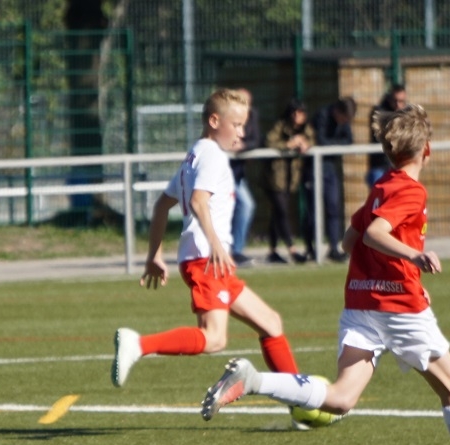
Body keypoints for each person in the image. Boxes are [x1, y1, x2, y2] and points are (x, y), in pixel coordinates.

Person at [200, 103, 450, 445]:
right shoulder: (410, 190)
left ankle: (255, 381)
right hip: (399, 308)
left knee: (341, 398)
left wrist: (384, 251)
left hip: (360, 303)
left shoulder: (382, 187)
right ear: (427, 151)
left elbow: (348, 241)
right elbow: (374, 232)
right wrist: (412, 256)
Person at [111, 88, 302, 389]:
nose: (241, 133)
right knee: (214, 339)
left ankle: (299, 397)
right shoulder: (211, 155)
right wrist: (215, 243)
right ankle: (138, 344)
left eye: (243, 125)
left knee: (271, 323)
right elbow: (199, 201)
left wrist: (154, 256)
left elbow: (162, 205)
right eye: (236, 125)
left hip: (209, 261)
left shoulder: (195, 154)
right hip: (207, 259)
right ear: (215, 121)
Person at [304, 96, 356, 262]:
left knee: (333, 206)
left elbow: (349, 141)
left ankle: (334, 247)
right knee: (313, 210)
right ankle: (310, 248)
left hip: (329, 168)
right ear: (337, 111)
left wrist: (334, 146)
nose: (344, 122)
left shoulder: (344, 121)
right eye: (343, 118)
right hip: (313, 168)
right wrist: (336, 145)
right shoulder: (322, 116)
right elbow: (321, 141)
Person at [263, 99, 312, 264]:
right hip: (275, 178)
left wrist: (305, 144)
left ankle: (273, 251)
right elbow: (269, 142)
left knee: (277, 214)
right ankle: (292, 249)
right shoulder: (280, 126)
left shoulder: (306, 129)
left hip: (291, 179)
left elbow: (312, 139)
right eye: (296, 112)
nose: (299, 116)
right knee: (282, 211)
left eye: (301, 112)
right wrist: (288, 144)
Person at [229, 88, 260, 266]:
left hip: (237, 174)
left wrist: (243, 145)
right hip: (220, 172)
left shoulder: (252, 116)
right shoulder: (225, 116)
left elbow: (256, 140)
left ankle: (236, 251)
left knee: (246, 205)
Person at [365, 84, 407, 189]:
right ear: (389, 98)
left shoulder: (406, 113)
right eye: (395, 101)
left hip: (398, 165)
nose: (398, 105)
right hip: (379, 164)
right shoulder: (379, 112)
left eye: (401, 101)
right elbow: (382, 136)